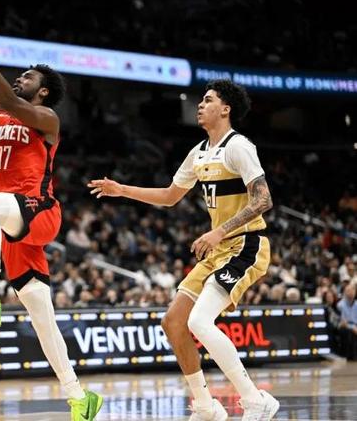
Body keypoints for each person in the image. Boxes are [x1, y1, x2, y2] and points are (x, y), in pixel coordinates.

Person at [88, 80, 279, 420]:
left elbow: (263, 199)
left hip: (246, 244)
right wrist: (122, 190)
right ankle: (206, 407)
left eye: (208, 100)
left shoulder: (239, 146)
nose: (200, 106)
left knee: (200, 322)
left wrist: (219, 231)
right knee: (173, 322)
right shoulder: (199, 152)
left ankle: (256, 400)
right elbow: (169, 196)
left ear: (225, 109)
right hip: (219, 249)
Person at [0, 14, 103, 420]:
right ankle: (79, 396)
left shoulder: (47, 118)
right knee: (41, 316)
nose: (20, 79)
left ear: (44, 91)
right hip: (13, 223)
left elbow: (9, 100)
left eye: (28, 77)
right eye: (19, 75)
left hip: (39, 210)